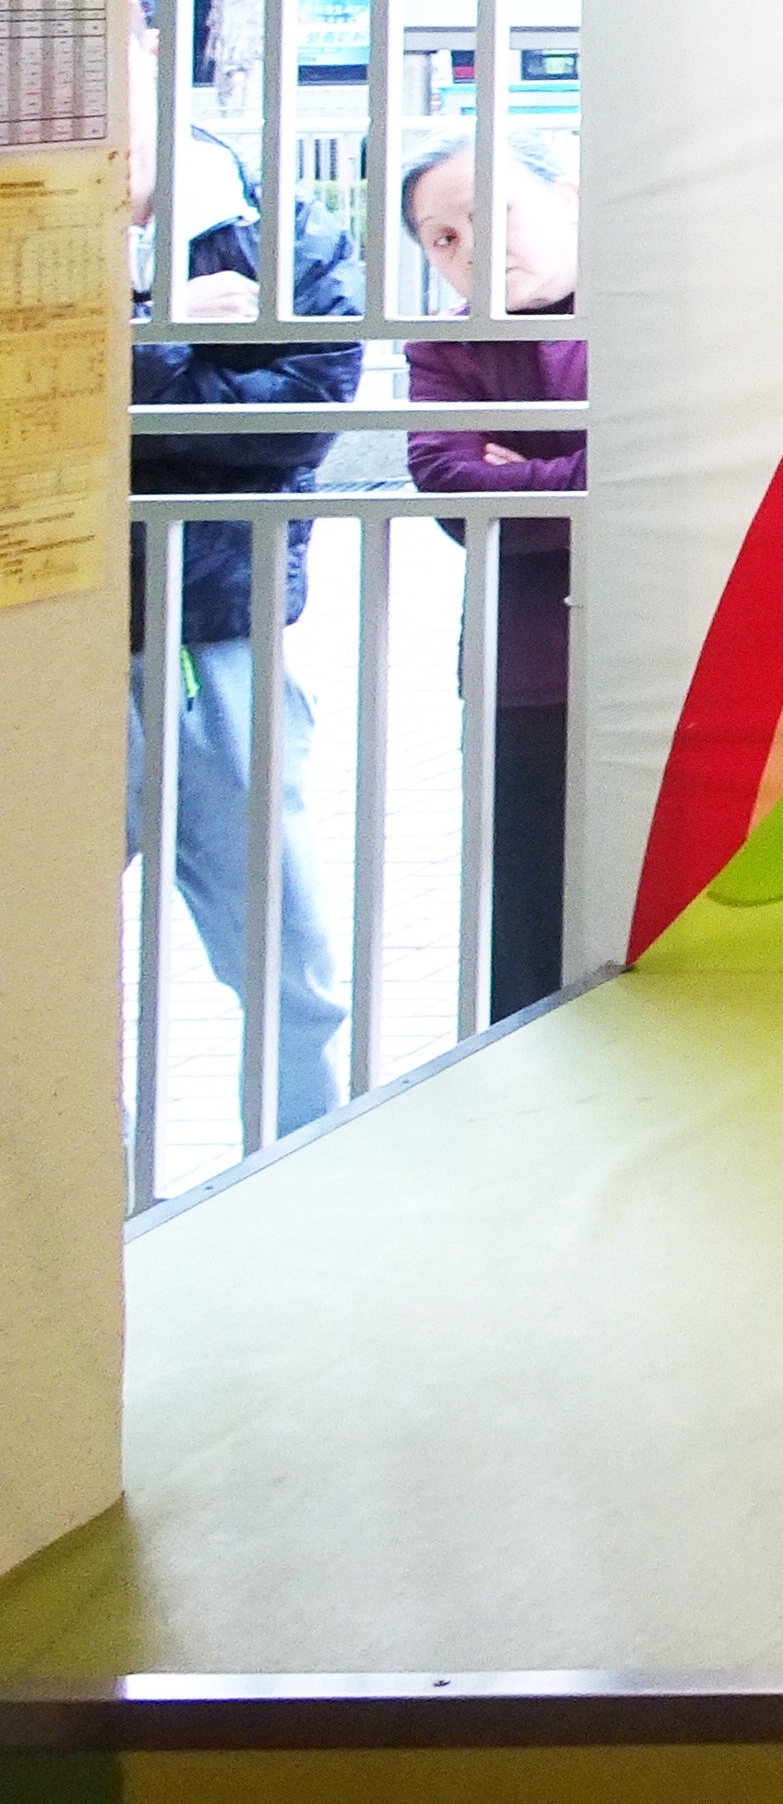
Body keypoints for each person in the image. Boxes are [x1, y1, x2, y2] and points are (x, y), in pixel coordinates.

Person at [125, 86, 362, 1140]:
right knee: (37, 967)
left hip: (218, 623)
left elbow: (295, 422)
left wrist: (123, 357)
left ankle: (300, 1177)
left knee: (288, 963)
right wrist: (165, 327)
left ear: (148, 52)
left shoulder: (273, 224)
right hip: (44, 635)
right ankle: (69, 1216)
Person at [400, 130, 584, 1024]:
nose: (470, 248)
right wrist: (589, 472)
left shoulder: (658, 304)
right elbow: (450, 485)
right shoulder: (448, 342)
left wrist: (527, 472)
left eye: (491, 213)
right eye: (442, 238)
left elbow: (674, 466)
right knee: (531, 928)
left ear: (570, 197)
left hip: (676, 655)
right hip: (527, 669)